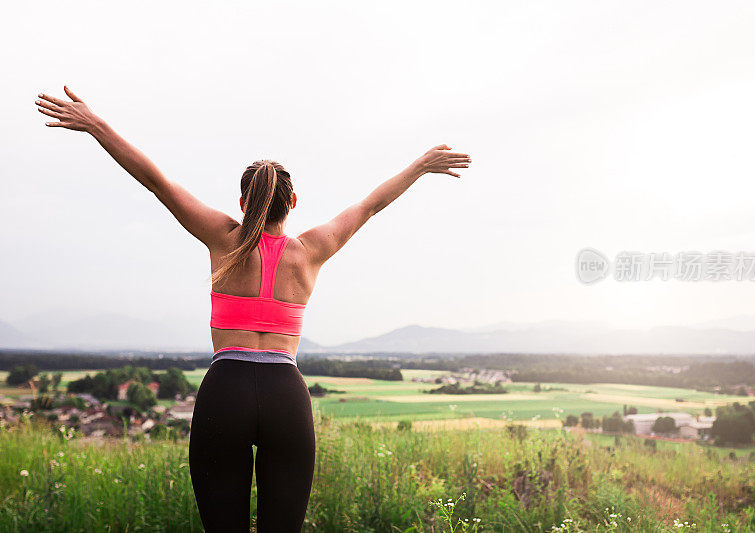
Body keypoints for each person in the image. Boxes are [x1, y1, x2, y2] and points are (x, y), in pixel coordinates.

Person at [35, 86, 471, 532]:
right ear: (293, 203)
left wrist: (97, 126)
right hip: (286, 395)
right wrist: (419, 166)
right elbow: (370, 205)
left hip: (225, 393)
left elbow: (156, 181)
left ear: (243, 204)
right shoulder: (310, 250)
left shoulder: (225, 239)